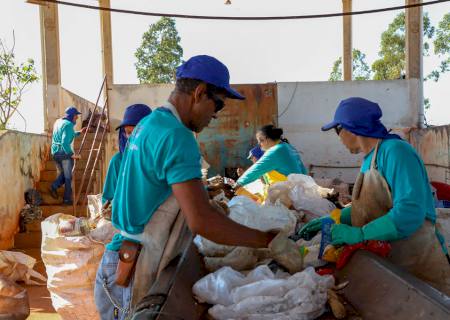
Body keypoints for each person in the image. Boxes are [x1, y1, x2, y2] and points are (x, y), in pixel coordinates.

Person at [94, 55, 303, 319]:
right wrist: (269, 241)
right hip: (133, 267)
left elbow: (184, 201)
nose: (215, 115)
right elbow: (201, 222)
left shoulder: (151, 123)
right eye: (217, 105)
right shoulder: (178, 136)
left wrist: (212, 210)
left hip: (118, 259)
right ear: (199, 93)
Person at [298, 97, 450, 294]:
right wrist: (334, 218)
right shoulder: (370, 159)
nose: (339, 138)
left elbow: (410, 212)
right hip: (393, 265)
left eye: (337, 131)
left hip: (419, 262)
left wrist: (361, 234)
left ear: (349, 128)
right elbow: (370, 205)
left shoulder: (396, 152)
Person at [101, 104, 152, 205]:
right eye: (128, 132)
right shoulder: (118, 162)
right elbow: (107, 199)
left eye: (137, 132)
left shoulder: (159, 161)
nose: (131, 138)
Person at [235, 124, 307, 189]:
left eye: (260, 141)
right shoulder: (288, 146)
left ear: (266, 139)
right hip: (299, 189)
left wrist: (238, 184)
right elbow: (303, 170)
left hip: (287, 193)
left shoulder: (276, 151)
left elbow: (256, 169)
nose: (259, 144)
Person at [49, 106, 87, 205]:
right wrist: (72, 155)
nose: (77, 118)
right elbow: (65, 142)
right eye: (76, 116)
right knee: (68, 177)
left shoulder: (58, 122)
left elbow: (66, 134)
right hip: (63, 153)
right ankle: (66, 200)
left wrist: (79, 132)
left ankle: (54, 186)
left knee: (65, 174)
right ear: (72, 116)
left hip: (55, 152)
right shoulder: (69, 124)